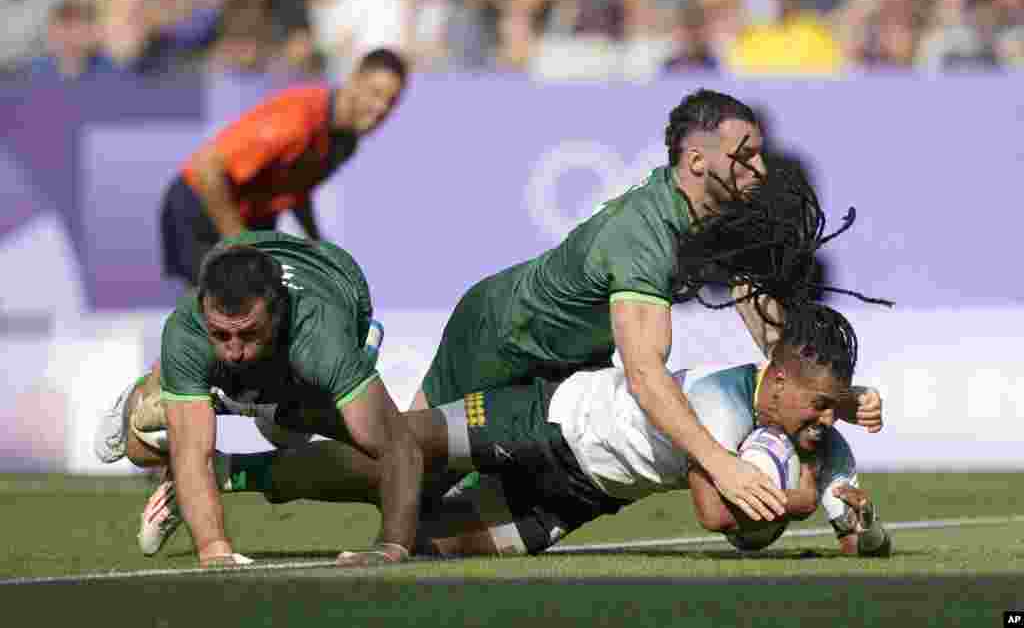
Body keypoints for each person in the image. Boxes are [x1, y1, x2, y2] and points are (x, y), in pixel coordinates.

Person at [163, 302, 888, 563]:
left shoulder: (802, 427)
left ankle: (240, 468)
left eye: (837, 405)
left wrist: (854, 511)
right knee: (396, 445)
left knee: (426, 543)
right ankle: (249, 420)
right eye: (822, 403)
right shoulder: (724, 410)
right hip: (548, 420)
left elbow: (851, 528)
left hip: (580, 498)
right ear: (781, 380)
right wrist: (797, 502)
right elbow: (721, 516)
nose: (828, 417)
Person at [410, 88, 838, 524]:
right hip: (500, 334)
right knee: (404, 462)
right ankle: (373, 542)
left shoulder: (715, 210)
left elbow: (760, 314)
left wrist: (826, 389)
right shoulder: (643, 235)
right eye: (745, 156)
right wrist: (721, 463)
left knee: (456, 522)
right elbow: (645, 373)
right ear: (696, 162)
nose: (760, 169)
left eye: (760, 154)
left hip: (572, 361)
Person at [95, 231, 424, 568]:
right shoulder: (188, 329)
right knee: (140, 447)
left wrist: (391, 547)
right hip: (242, 266)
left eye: (248, 333)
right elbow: (193, 455)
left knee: (343, 437)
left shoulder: (320, 338)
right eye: (220, 335)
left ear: (279, 317)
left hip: (330, 276)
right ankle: (154, 383)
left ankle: (235, 406)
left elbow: (399, 448)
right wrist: (214, 550)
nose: (234, 351)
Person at [160, 48, 406, 288]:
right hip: (202, 204)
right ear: (354, 80)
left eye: (390, 101)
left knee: (269, 308)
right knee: (229, 311)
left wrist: (317, 246)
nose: (382, 108)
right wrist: (239, 241)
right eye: (375, 93)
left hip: (251, 218)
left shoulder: (346, 142)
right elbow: (207, 169)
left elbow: (294, 189)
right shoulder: (296, 121)